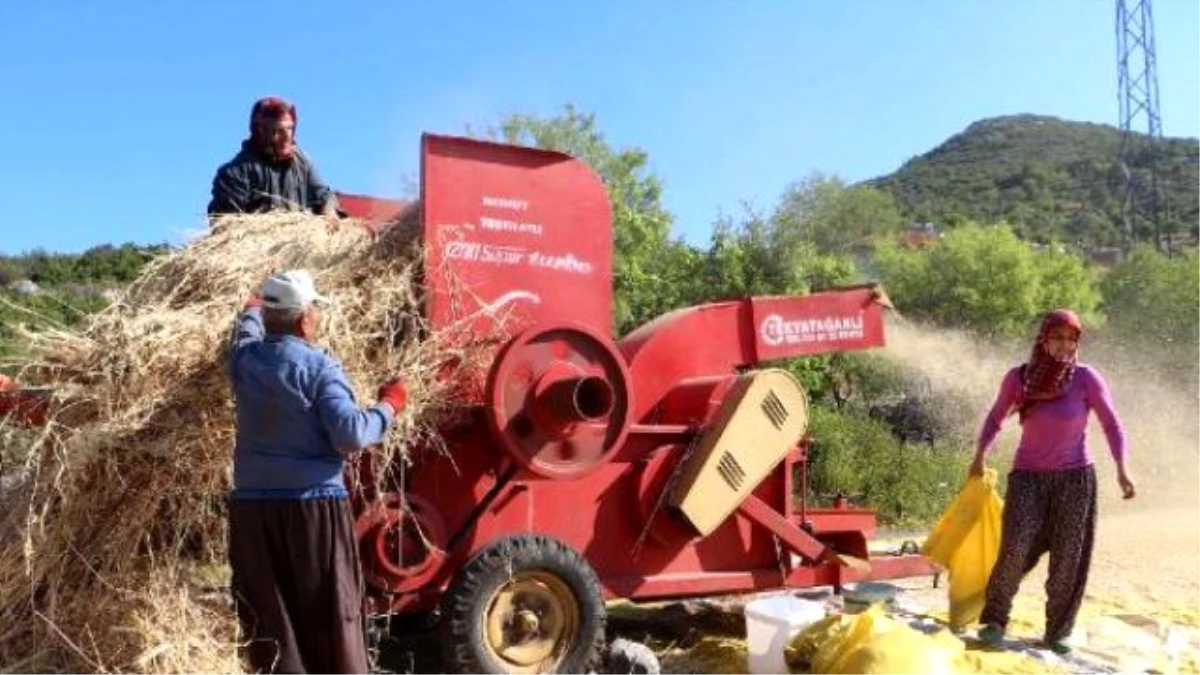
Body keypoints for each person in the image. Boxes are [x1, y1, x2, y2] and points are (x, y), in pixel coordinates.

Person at [227, 269, 407, 674]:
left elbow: (248, 329)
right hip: (313, 511)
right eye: (315, 311)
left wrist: (253, 309)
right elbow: (351, 435)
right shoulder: (319, 368)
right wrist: (390, 405)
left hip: (252, 512)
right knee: (329, 614)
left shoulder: (244, 361)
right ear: (305, 319)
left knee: (272, 620)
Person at [968, 308, 1136, 654]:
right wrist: (980, 455)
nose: (1064, 345)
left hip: (1076, 480)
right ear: (1043, 340)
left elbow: (1111, 424)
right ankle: (994, 620)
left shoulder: (1087, 378)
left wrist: (1122, 468)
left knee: (1068, 558)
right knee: (1014, 549)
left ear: (1077, 342)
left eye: (1070, 338)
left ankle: (1058, 631)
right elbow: (996, 417)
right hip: (1027, 477)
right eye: (1057, 337)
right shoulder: (1020, 378)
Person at [208, 96, 340, 226]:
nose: (286, 137)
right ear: (261, 130)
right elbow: (227, 224)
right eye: (278, 130)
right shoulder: (235, 173)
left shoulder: (302, 162)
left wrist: (329, 211)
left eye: (290, 129)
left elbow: (323, 195)